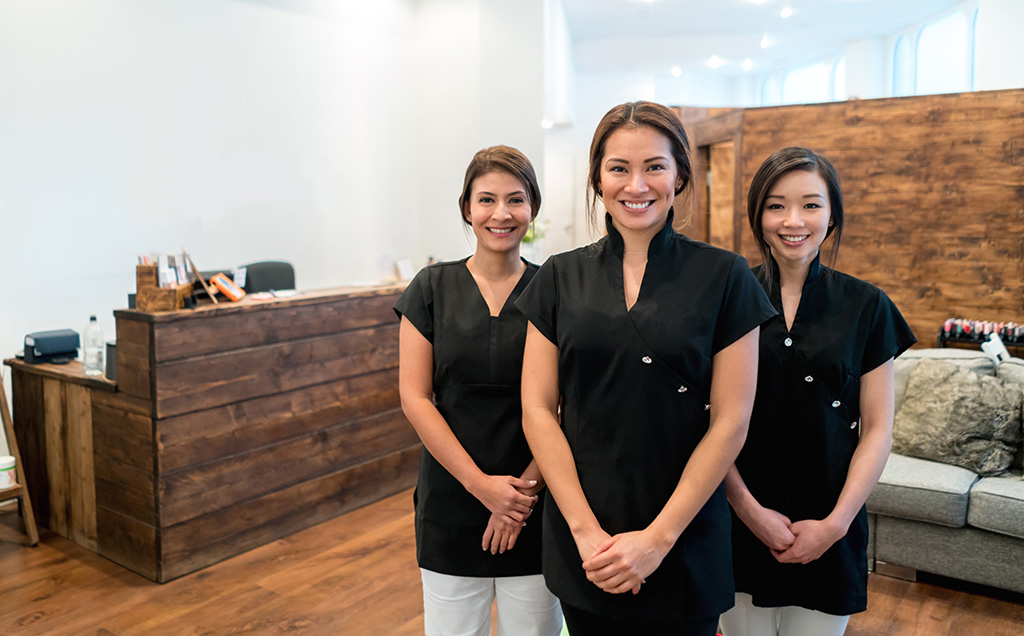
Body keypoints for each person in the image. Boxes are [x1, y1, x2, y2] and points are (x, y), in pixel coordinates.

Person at [517, 101, 777, 636]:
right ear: (597, 178)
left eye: (655, 166)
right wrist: (587, 534)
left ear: (680, 174)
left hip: (685, 537)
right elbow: (538, 411)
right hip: (586, 536)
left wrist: (658, 539)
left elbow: (732, 420)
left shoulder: (725, 277)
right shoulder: (559, 279)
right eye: (619, 168)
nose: (637, 184)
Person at [720, 147, 916, 636]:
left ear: (832, 216)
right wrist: (749, 511)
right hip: (738, 521)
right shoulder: (725, 295)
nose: (793, 220)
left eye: (810, 204)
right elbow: (710, 421)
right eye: (776, 205)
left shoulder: (867, 305)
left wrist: (836, 524)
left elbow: (877, 429)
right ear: (758, 215)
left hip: (833, 521)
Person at [394, 146, 563, 636]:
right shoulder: (430, 288)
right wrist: (481, 487)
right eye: (486, 200)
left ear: (532, 207)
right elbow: (415, 398)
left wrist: (519, 499)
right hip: (452, 500)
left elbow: (562, 406)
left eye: (515, 199)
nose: (501, 214)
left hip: (532, 502)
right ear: (467, 208)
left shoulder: (553, 289)